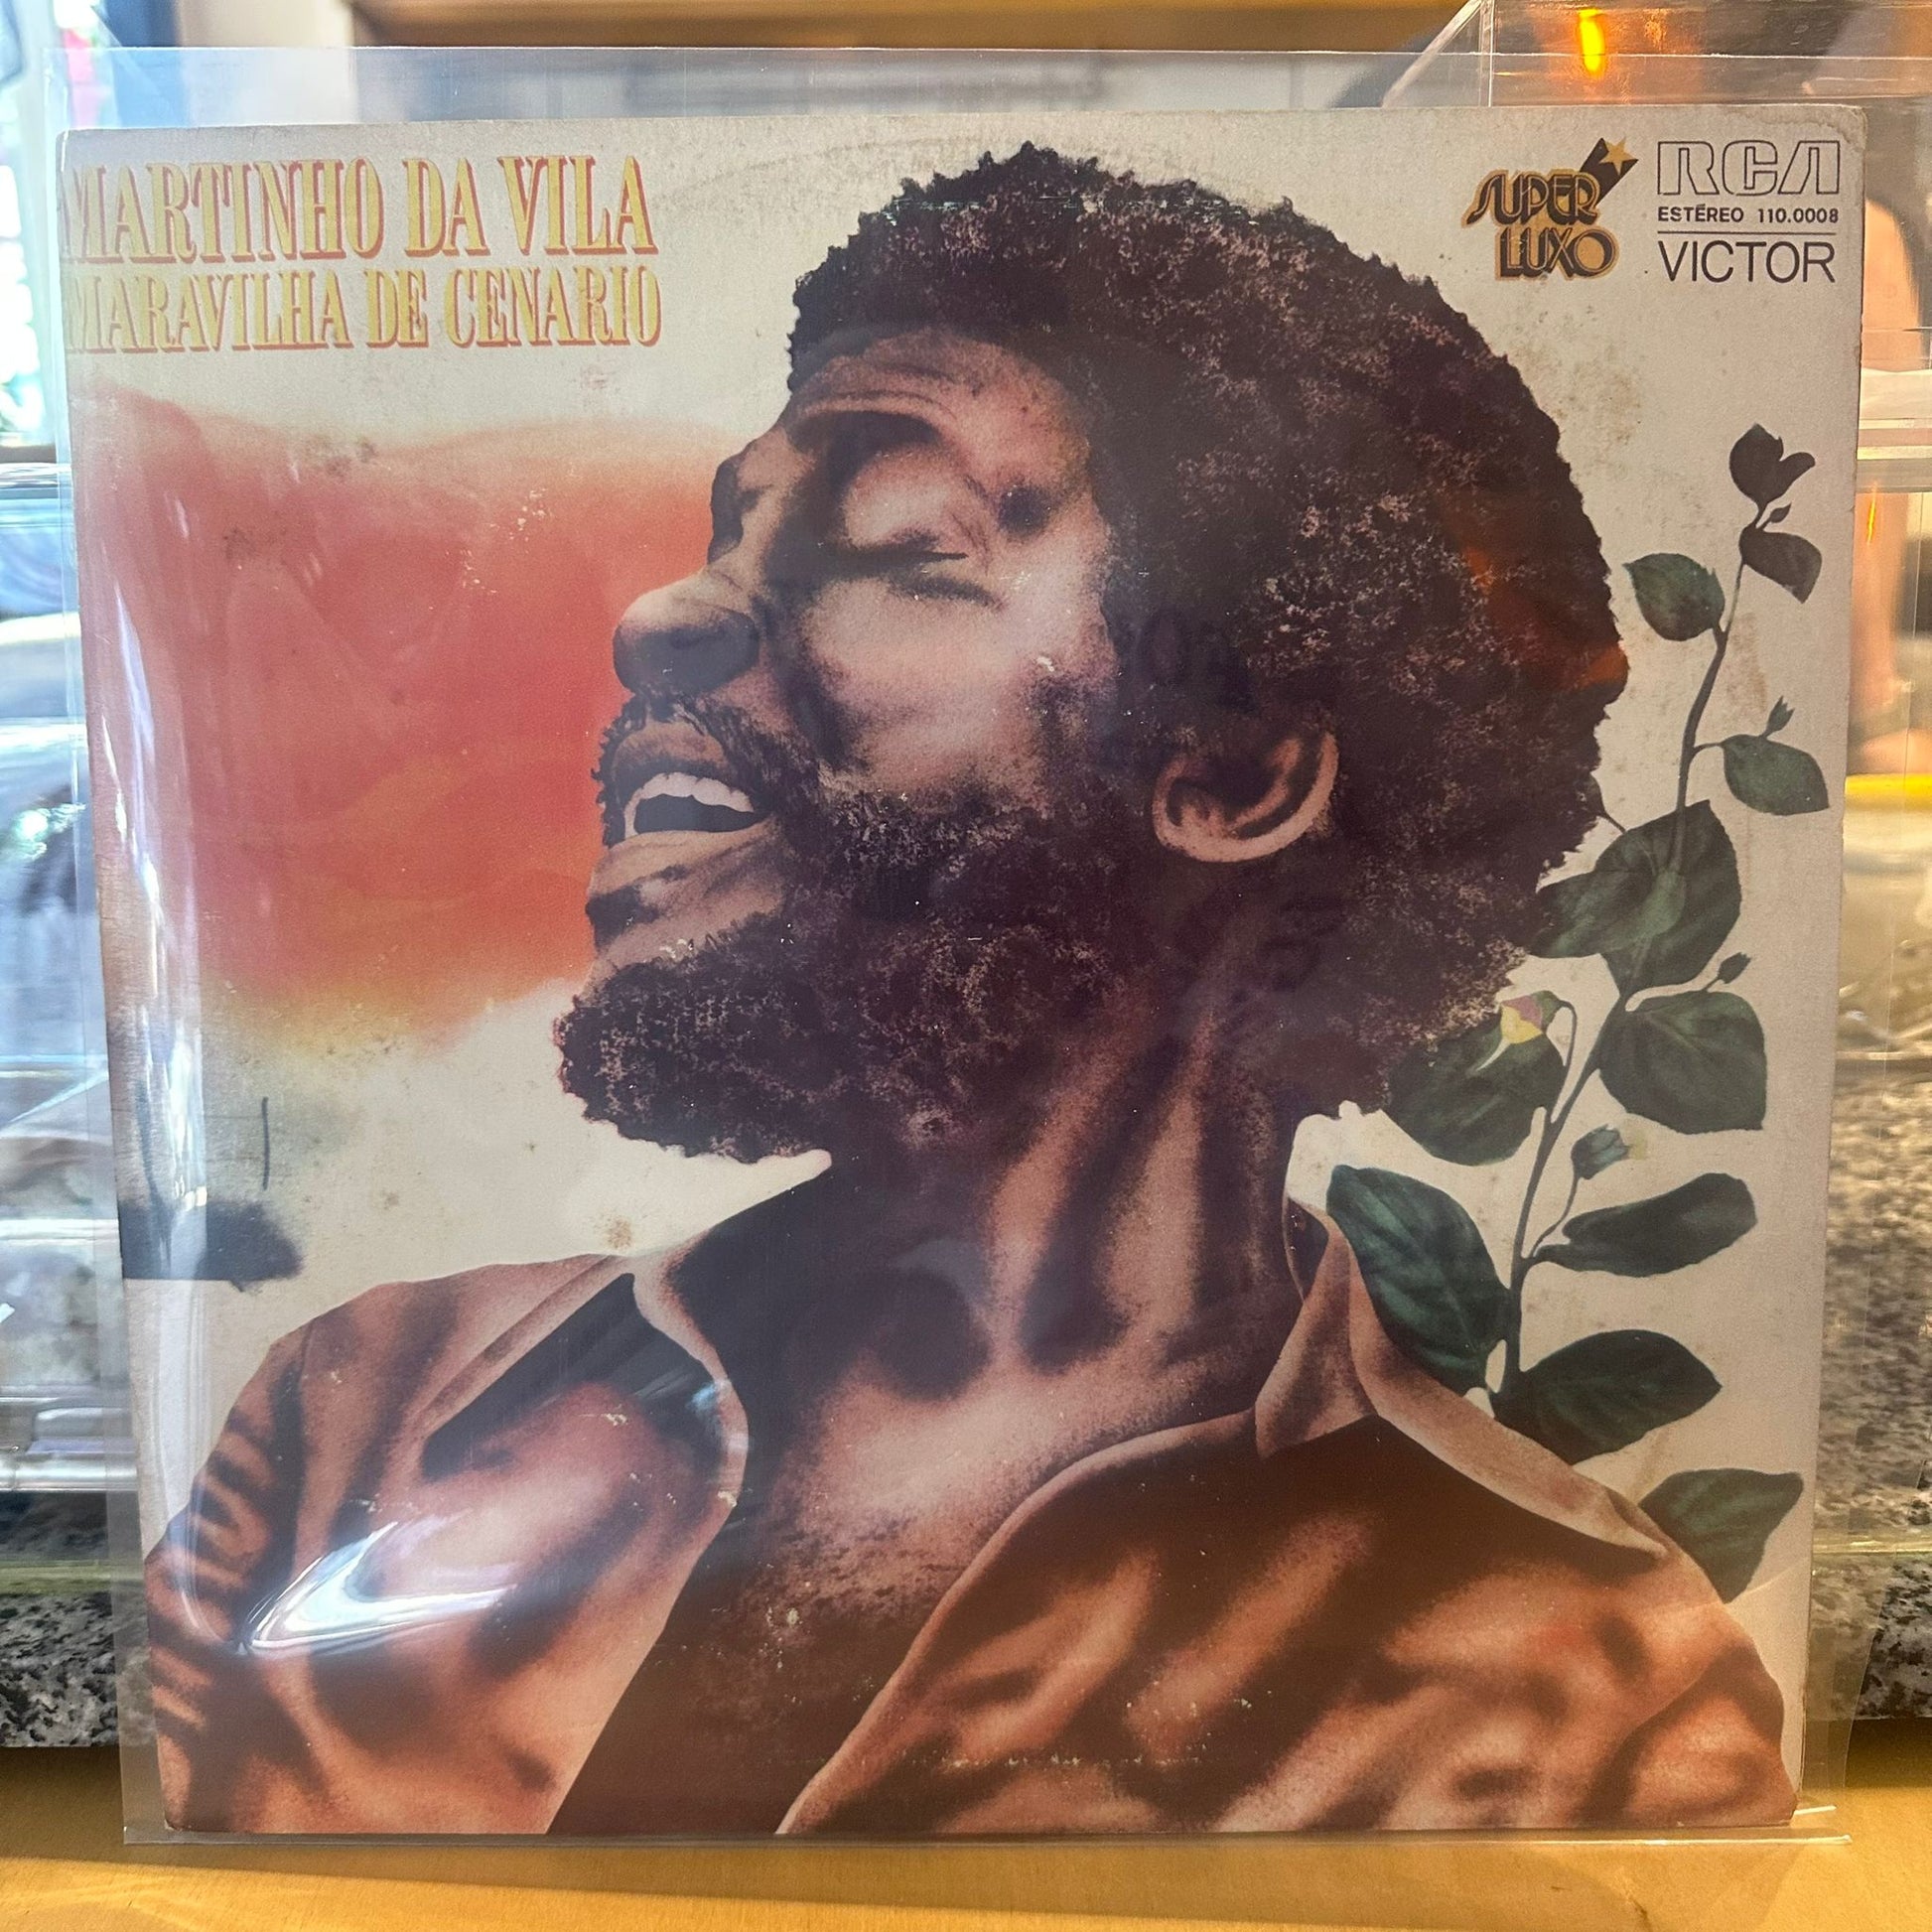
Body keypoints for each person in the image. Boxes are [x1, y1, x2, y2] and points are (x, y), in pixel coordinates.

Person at [143, 145, 1791, 1837]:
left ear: (1229, 776)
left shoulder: (1584, 1682)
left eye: (892, 545)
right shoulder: (356, 1416)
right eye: (730, 533)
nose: (659, 617)